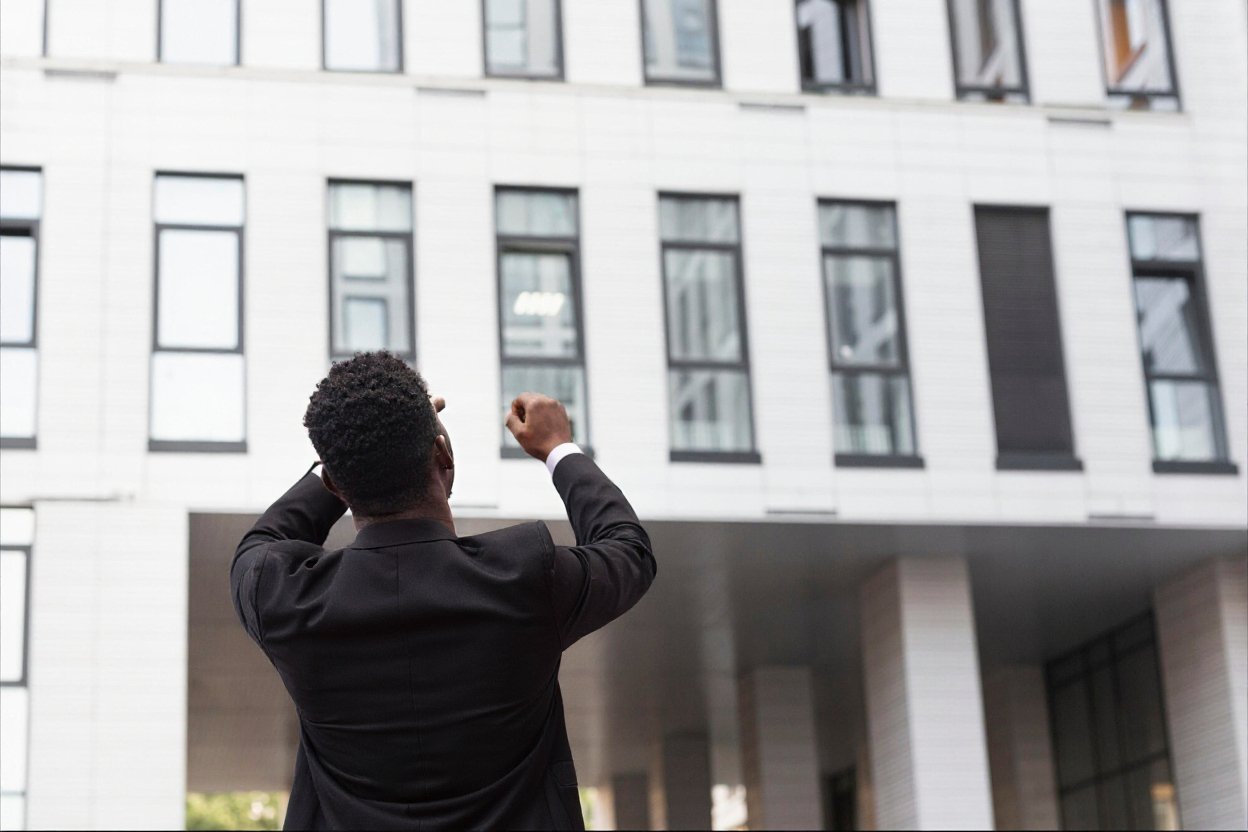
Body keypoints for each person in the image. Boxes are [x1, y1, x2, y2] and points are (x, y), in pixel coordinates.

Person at [230, 351, 656, 830]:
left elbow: (260, 542)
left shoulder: (282, 599)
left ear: (333, 483)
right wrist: (558, 447)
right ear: (444, 456)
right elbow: (629, 552)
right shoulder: (523, 577)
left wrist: (348, 455)